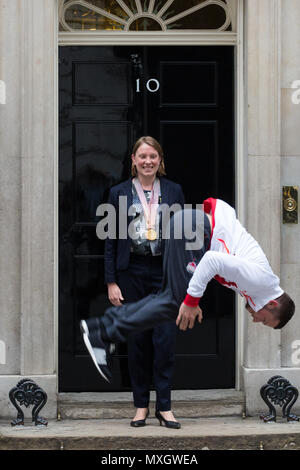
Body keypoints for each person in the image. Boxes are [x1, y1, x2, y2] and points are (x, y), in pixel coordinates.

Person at [81, 197, 295, 422]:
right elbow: (212, 260)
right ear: (271, 305)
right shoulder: (261, 280)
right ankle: (102, 332)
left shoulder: (260, 288)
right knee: (175, 305)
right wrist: (192, 300)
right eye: (264, 320)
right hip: (193, 230)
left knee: (168, 300)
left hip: (189, 228)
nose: (255, 320)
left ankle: (102, 328)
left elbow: (214, 252)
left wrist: (192, 297)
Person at [103, 136, 184, 429]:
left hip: (164, 274)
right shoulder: (119, 192)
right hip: (132, 273)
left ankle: (164, 407)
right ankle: (140, 407)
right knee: (137, 342)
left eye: (153, 156)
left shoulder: (174, 190)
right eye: (142, 156)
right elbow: (111, 240)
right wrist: (111, 281)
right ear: (133, 160)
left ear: (160, 160)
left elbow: (184, 238)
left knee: (164, 341)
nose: (148, 161)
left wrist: (183, 279)